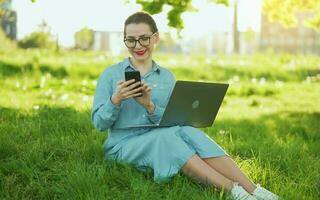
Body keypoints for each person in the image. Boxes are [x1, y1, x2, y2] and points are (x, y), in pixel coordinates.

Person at [91, 11, 278, 200]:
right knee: (165, 137)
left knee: (188, 131)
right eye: (130, 40)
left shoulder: (166, 77)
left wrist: (150, 106)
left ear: (155, 38)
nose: (137, 46)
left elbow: (172, 121)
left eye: (144, 39)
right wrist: (115, 100)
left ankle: (253, 189)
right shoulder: (111, 75)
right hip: (123, 147)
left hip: (160, 138)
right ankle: (234, 191)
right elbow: (99, 123)